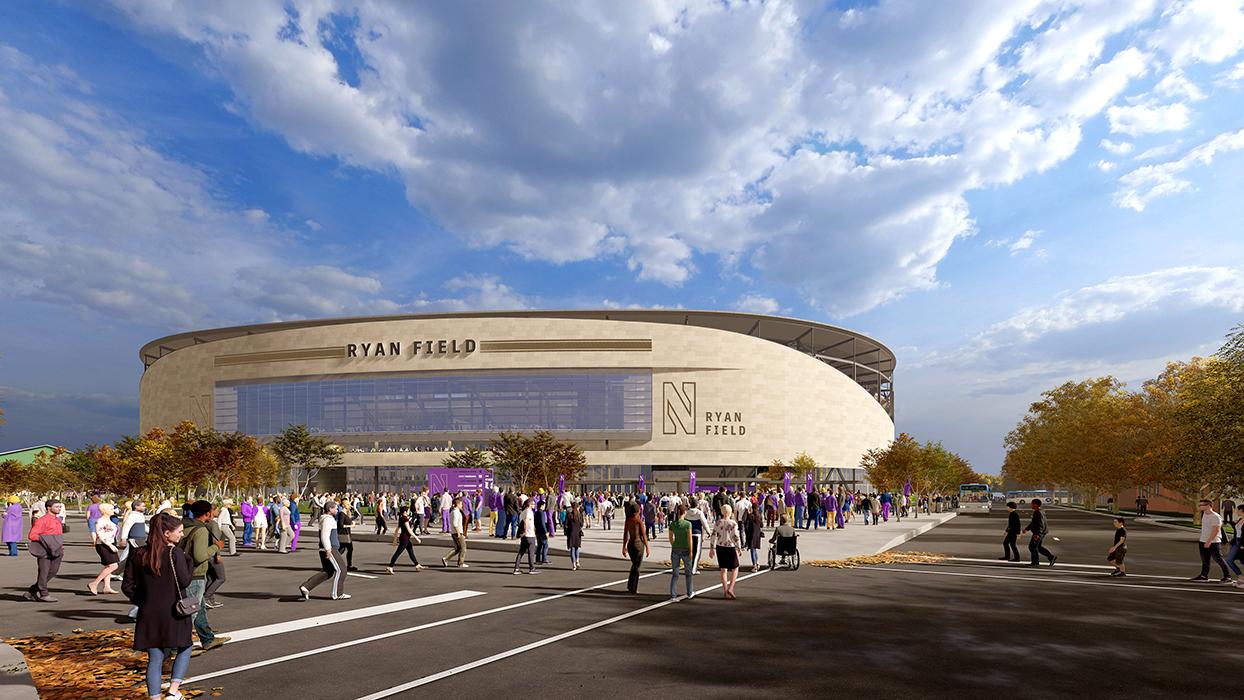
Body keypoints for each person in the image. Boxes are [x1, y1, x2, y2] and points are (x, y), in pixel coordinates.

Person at [123, 512, 195, 700]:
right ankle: (173, 691)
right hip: (174, 611)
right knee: (185, 647)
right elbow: (185, 581)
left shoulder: (138, 553)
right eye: (178, 531)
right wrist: (188, 560)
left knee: (154, 658)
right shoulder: (175, 554)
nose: (181, 535)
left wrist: (142, 600)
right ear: (166, 533)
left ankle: (154, 698)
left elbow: (127, 586)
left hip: (149, 612)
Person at [180, 501, 229, 651]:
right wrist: (216, 547)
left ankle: (207, 639)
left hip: (185, 570)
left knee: (199, 608)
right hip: (196, 573)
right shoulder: (201, 530)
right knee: (191, 612)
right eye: (212, 511)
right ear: (207, 513)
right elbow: (200, 556)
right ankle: (179, 648)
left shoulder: (185, 525)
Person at [299, 501, 350, 600]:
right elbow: (325, 536)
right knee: (341, 570)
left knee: (328, 571)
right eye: (335, 508)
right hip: (330, 548)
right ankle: (338, 594)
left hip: (327, 548)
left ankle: (306, 587)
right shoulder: (328, 520)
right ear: (330, 509)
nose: (337, 510)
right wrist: (328, 549)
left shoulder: (327, 519)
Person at [24, 498, 65, 602]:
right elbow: (32, 535)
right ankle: (44, 594)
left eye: (60, 506)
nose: (59, 508)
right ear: (49, 508)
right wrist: (47, 540)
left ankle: (31, 591)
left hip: (58, 550)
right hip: (45, 551)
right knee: (44, 573)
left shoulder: (58, 520)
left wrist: (60, 545)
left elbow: (59, 535)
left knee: (53, 572)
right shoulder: (42, 520)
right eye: (57, 506)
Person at [1189, 499, 1232, 582]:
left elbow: (1216, 530)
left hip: (1214, 542)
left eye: (1202, 505)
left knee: (1219, 559)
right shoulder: (1204, 514)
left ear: (1208, 506)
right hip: (1202, 540)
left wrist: (1209, 541)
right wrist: (1204, 540)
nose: (1200, 507)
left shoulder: (1215, 516)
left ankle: (1228, 577)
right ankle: (1203, 576)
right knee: (1205, 560)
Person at [710, 503, 742, 599]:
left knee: (723, 569)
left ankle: (725, 591)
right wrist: (739, 548)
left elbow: (713, 535)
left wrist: (712, 548)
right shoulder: (733, 523)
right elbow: (735, 537)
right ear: (730, 512)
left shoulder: (718, 522)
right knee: (735, 568)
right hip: (730, 547)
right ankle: (731, 588)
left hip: (720, 546)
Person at [88, 502, 120, 595]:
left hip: (111, 543)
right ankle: (94, 583)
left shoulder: (110, 521)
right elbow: (100, 535)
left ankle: (107, 587)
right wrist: (109, 545)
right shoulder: (100, 521)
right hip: (103, 544)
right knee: (113, 566)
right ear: (105, 511)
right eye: (110, 509)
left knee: (108, 566)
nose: (113, 510)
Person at [203, 504, 228, 609]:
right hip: (213, 554)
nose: (218, 512)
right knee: (221, 577)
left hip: (206, 553)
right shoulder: (213, 524)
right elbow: (216, 541)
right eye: (217, 510)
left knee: (211, 578)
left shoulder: (204, 523)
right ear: (212, 511)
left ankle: (210, 600)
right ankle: (206, 597)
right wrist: (218, 554)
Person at [386, 506, 424, 574]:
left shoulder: (401, 518)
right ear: (405, 512)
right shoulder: (404, 519)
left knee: (411, 552)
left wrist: (395, 540)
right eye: (408, 511)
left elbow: (397, 529)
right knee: (398, 553)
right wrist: (416, 538)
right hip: (404, 539)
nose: (409, 512)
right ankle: (390, 567)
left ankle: (417, 565)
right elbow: (409, 530)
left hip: (405, 538)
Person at [667, 504, 694, 600]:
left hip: (675, 549)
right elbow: (689, 538)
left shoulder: (672, 524)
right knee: (688, 573)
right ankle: (689, 592)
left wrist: (673, 544)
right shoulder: (688, 524)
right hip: (685, 548)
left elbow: (670, 537)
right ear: (685, 512)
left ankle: (673, 595)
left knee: (675, 573)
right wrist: (691, 551)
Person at [622, 499, 648, 593]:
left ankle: (630, 585)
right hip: (638, 544)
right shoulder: (639, 521)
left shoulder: (628, 521)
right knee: (637, 567)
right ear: (638, 511)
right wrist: (647, 547)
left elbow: (625, 534)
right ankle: (634, 587)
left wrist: (623, 546)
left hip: (630, 545)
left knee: (634, 565)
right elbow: (644, 535)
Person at [1022, 499, 1056, 567]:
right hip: (1042, 531)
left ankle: (1035, 562)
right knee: (1038, 547)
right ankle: (1051, 557)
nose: (1031, 505)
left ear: (1035, 504)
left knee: (1032, 547)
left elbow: (1040, 524)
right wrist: (1027, 529)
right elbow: (1034, 523)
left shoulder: (1038, 512)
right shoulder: (1040, 511)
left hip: (1039, 532)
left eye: (1032, 503)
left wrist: (1037, 534)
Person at [513, 498, 540, 575]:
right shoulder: (529, 512)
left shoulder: (522, 512)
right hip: (529, 534)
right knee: (531, 552)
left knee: (521, 552)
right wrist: (526, 530)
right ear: (529, 504)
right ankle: (532, 568)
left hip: (524, 536)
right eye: (533, 504)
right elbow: (526, 521)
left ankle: (516, 568)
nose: (534, 505)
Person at [441, 497, 469, 568]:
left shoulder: (453, 511)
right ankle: (460, 563)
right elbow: (455, 523)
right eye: (461, 504)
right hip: (457, 533)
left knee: (457, 549)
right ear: (458, 504)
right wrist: (459, 533)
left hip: (454, 532)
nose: (462, 505)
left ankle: (446, 558)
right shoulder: (456, 512)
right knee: (463, 548)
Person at [1227, 504, 1244, 588]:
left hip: (1242, 542)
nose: (1236, 511)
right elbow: (1237, 531)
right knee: (1229, 560)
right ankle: (1241, 577)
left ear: (1241, 510)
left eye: (1237, 510)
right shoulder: (1240, 519)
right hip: (1236, 542)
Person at [338, 499, 357, 570]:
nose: (350, 505)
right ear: (344, 505)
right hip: (344, 534)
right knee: (348, 549)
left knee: (342, 550)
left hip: (347, 534)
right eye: (348, 504)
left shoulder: (346, 513)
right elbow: (340, 525)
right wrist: (351, 526)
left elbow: (351, 519)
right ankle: (349, 565)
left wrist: (355, 511)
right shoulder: (342, 514)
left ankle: (332, 562)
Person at [743, 506, 764, 572]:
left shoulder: (750, 516)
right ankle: (757, 563)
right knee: (754, 549)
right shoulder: (759, 516)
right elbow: (761, 525)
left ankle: (754, 565)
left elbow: (746, 526)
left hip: (751, 534)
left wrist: (747, 513)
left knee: (752, 550)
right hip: (757, 534)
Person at [565, 503, 584, 571]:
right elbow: (582, 524)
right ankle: (577, 560)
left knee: (572, 549)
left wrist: (566, 532)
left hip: (571, 533)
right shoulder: (579, 515)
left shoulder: (569, 515)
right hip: (578, 533)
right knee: (577, 548)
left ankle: (574, 564)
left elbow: (566, 525)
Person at [535, 499, 551, 565]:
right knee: (545, 545)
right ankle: (544, 559)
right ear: (542, 505)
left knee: (539, 545)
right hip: (542, 531)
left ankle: (537, 559)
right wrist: (546, 531)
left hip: (537, 530)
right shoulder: (541, 513)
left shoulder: (536, 512)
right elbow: (542, 523)